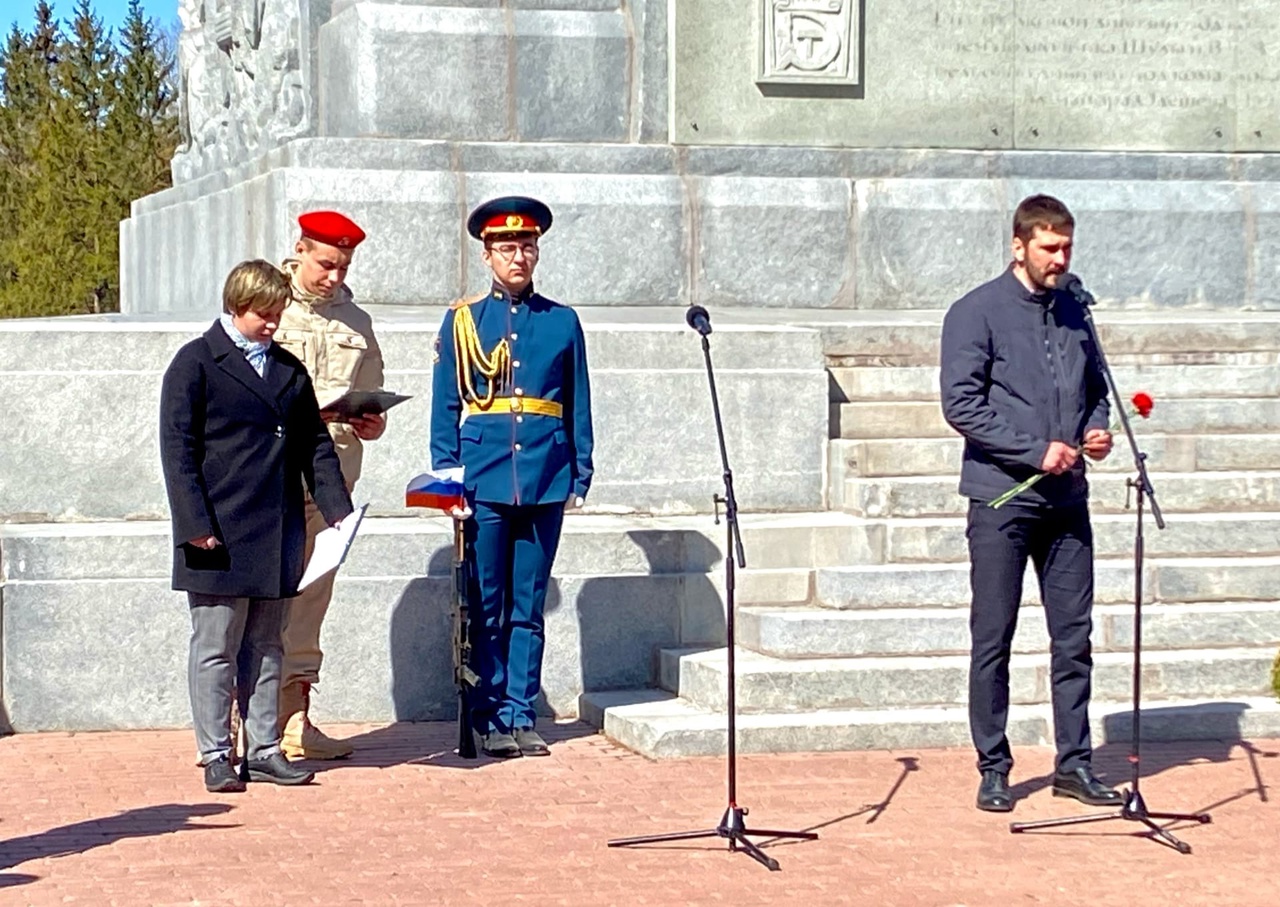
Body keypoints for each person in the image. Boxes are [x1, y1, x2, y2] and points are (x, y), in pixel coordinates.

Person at [939, 194, 1123, 813]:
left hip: (1068, 502)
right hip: (1003, 500)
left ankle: (1075, 764)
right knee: (994, 637)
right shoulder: (976, 312)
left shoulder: (1076, 310)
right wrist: (1032, 450)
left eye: (1067, 247)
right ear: (1018, 246)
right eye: (1049, 247)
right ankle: (994, 765)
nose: (1060, 258)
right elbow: (961, 404)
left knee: (1074, 639)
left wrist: (1094, 432)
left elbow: (1096, 389)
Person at [160, 259, 354, 793]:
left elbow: (314, 445)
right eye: (262, 315)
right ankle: (216, 753)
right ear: (235, 306)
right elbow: (178, 452)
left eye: (277, 314)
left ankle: (264, 747)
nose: (272, 324)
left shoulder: (288, 369)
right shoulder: (196, 363)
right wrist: (194, 523)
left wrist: (336, 511)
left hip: (277, 527)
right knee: (217, 644)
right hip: (216, 530)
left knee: (269, 643)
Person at [429, 196, 594, 758]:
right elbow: (446, 403)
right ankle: (489, 712)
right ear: (487, 255)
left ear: (537, 251)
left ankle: (522, 713)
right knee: (488, 601)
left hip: (545, 474)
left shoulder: (562, 322)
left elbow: (577, 401)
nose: (517, 256)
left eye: (525, 246)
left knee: (529, 603)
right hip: (485, 477)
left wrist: (579, 471)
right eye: (505, 247)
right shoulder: (463, 321)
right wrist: (448, 476)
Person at [273, 210, 386, 760]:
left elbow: (371, 395)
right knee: (261, 596)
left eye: (343, 267)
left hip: (331, 482)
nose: (333, 277)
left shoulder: (357, 323)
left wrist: (371, 420)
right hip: (271, 478)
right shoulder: (268, 306)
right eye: (325, 264)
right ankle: (248, 722)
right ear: (300, 249)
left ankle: (295, 719)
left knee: (310, 599)